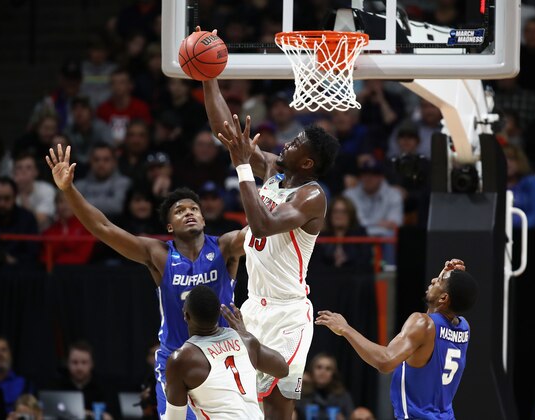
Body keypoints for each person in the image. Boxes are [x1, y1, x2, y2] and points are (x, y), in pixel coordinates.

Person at [45, 144, 246, 419]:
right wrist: (68, 190)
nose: (189, 212)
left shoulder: (225, 246)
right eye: (180, 211)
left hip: (222, 356)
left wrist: (273, 181)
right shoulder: (159, 255)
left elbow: (262, 230)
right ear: (170, 227)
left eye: (194, 208)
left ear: (203, 218)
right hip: (176, 361)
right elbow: (103, 229)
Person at [203, 71, 340, 418]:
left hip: (287, 314)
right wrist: (207, 79)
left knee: (279, 409)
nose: (286, 144)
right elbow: (228, 134)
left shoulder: (312, 196)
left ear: (307, 163)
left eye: (295, 145)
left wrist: (241, 168)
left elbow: (262, 226)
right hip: (252, 307)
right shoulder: (272, 170)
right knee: (243, 404)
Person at [316, 260, 477, 419]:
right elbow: (434, 317)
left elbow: (385, 361)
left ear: (443, 298)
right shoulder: (463, 328)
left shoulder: (422, 324)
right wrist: (446, 276)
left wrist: (345, 329)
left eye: (440, 281)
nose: (434, 280)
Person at [164, 285, 289, 419]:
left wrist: (170, 391)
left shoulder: (182, 359)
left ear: (186, 315)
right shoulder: (245, 340)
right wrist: (245, 334)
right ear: (218, 313)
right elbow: (282, 369)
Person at [53, 341, 114, 418]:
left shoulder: (104, 387)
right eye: (75, 362)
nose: (79, 368)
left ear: (91, 364)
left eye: (84, 362)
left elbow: (110, 415)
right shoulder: (57, 386)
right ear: (68, 364)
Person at [75, 143, 131, 220]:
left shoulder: (124, 183)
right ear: (90, 161)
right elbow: (74, 208)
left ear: (114, 162)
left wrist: (83, 204)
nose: (101, 164)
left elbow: (117, 206)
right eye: (96, 160)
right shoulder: (79, 185)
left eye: (106, 160)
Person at [295, 353, 355, 420]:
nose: (323, 372)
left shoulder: (343, 396)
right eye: (319, 367)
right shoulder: (301, 394)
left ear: (333, 373)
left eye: (328, 369)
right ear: (311, 370)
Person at [13, 153, 56, 231]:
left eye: (28, 168)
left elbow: (39, 221)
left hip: (41, 235)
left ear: (36, 172)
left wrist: (23, 191)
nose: (23, 171)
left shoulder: (46, 189)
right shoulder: (7, 191)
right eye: (19, 168)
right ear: (14, 172)